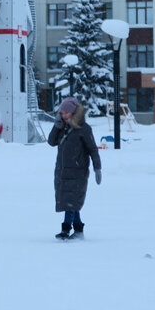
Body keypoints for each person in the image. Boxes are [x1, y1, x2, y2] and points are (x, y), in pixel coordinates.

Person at [47, 97, 101, 240]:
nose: (63, 115)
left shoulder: (84, 128)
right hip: (62, 170)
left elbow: (93, 150)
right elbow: (51, 142)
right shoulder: (62, 127)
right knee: (71, 201)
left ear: (73, 113)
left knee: (70, 200)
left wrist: (97, 168)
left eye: (66, 113)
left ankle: (65, 229)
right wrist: (56, 126)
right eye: (61, 113)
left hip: (78, 171)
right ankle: (78, 230)